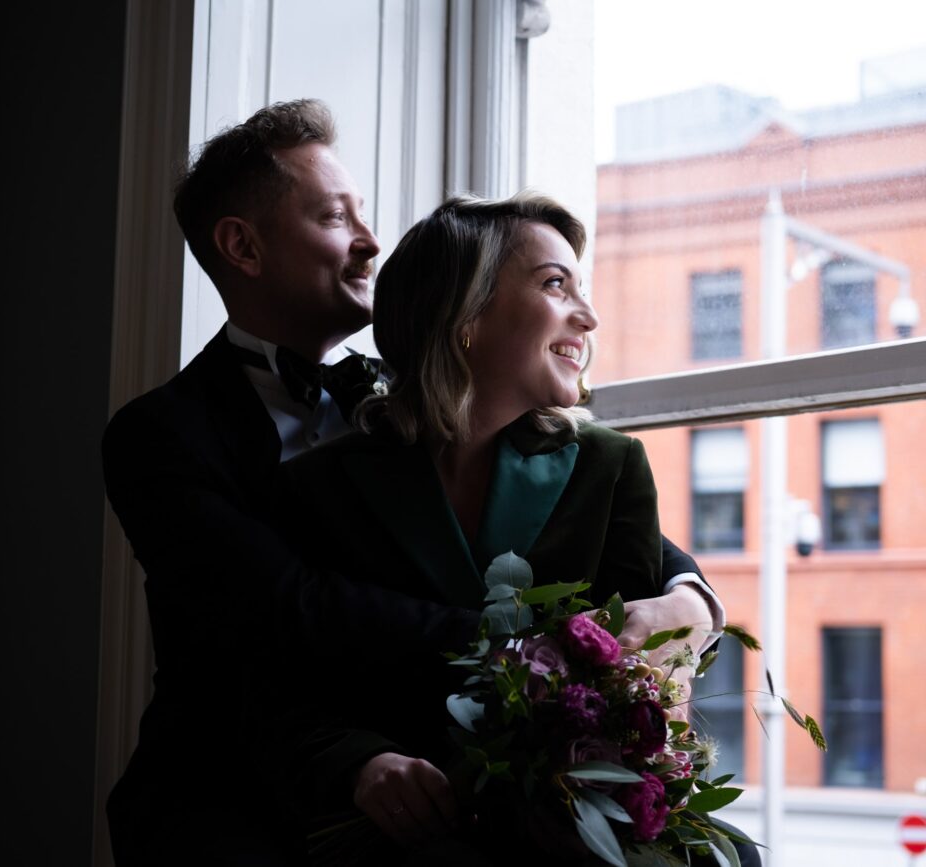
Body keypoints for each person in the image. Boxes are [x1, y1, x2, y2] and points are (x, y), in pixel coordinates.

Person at [101, 99, 722, 865]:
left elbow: (586, 519)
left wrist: (692, 597)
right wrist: (554, 653)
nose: (371, 242)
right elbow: (294, 607)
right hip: (229, 779)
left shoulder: (423, 398)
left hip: (436, 765)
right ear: (244, 247)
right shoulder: (162, 434)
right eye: (336, 219)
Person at [278, 193, 757, 865]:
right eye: (556, 285)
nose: (587, 317)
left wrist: (692, 608)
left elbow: (644, 687)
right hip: (392, 833)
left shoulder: (609, 469)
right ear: (465, 314)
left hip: (566, 828)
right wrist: (362, 763)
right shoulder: (323, 485)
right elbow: (280, 687)